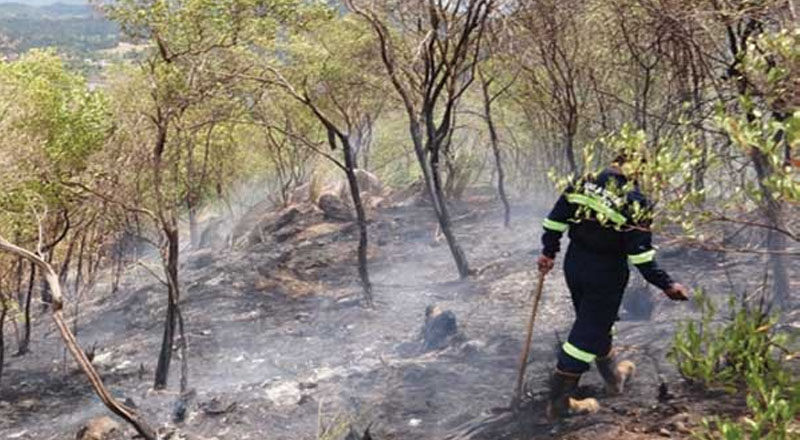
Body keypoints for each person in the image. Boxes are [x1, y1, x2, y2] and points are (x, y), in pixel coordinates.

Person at [536, 154, 689, 420]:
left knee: (595, 322)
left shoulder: (584, 181)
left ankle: (614, 378)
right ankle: (559, 403)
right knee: (585, 334)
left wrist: (549, 251)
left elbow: (554, 220)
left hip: (575, 264)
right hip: (605, 273)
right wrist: (667, 284)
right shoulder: (636, 201)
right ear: (639, 171)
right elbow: (640, 255)